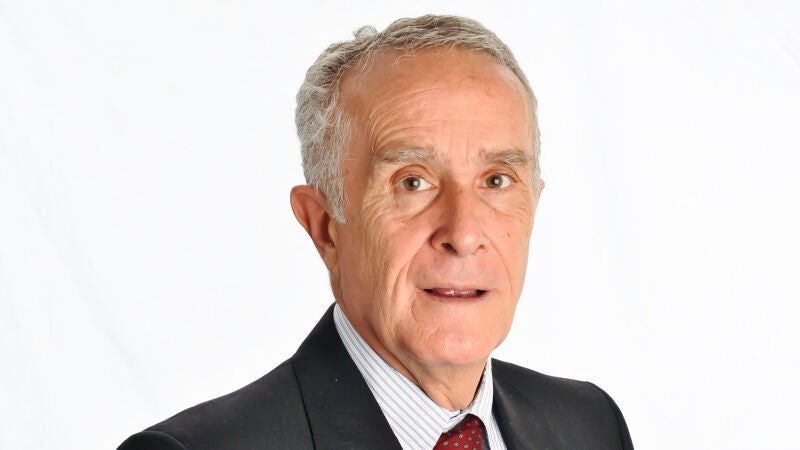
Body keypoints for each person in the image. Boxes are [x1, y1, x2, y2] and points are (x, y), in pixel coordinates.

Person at [119, 14, 633, 450]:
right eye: (412, 182)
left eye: (496, 180)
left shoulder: (591, 426)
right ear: (325, 227)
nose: (464, 234)